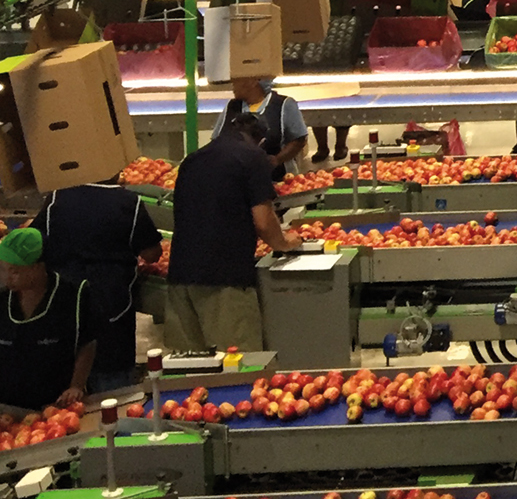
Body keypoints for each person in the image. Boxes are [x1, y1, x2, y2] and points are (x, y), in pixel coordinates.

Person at [166, 114, 299, 352]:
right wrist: (284, 243)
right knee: (239, 365)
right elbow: (263, 220)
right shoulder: (253, 157)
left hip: (180, 276)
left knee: (189, 371)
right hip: (224, 280)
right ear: (260, 141)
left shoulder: (192, 160)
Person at [30, 175, 163, 392]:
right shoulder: (128, 202)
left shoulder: (58, 197)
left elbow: (36, 241)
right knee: (113, 384)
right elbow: (151, 253)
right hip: (111, 303)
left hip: (67, 301)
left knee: (67, 387)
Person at [0, 228, 101, 410]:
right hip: (7, 408)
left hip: (56, 407)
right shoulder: (2, 297)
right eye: (3, 269)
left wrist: (76, 385)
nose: (7, 278)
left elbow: (87, 342)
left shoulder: (72, 296)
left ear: (38, 267)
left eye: (14, 272)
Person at [210, 77, 309, 181]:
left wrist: (277, 159)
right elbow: (216, 140)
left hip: (277, 180)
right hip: (237, 181)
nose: (233, 84)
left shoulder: (283, 104)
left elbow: (299, 139)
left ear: (253, 81)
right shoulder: (232, 106)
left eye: (238, 79)